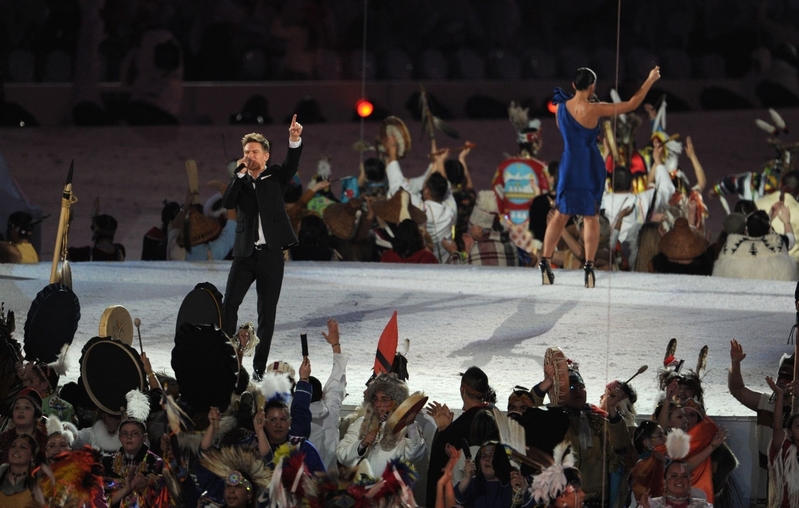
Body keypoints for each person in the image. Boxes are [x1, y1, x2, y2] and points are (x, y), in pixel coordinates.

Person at [539, 65, 660, 288]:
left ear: (574, 85)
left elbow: (566, 132)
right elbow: (632, 104)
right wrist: (650, 79)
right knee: (590, 216)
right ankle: (589, 267)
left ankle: (544, 263)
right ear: (592, 86)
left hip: (568, 165)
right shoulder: (594, 109)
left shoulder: (561, 108)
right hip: (588, 165)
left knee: (560, 215)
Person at [222, 116, 304, 379]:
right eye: (246, 152)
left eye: (255, 152)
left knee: (266, 314)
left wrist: (294, 139)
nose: (250, 156)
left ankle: (258, 369)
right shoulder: (240, 179)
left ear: (266, 156)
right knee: (229, 305)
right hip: (244, 255)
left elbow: (292, 164)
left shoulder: (275, 175)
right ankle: (226, 358)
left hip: (270, 256)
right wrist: (240, 173)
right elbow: (228, 202)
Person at [336, 372, 427, 477]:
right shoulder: (361, 423)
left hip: (394, 489)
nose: (378, 404)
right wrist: (362, 444)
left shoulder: (409, 428)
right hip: (363, 488)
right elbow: (342, 456)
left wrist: (410, 425)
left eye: (384, 400)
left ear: (396, 402)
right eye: (376, 399)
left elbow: (415, 455)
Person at [308, 318, 348, 471]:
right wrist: (335, 344)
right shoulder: (330, 411)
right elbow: (338, 378)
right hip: (328, 483)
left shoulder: (292, 416)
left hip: (301, 482)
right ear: (322, 395)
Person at [455, 441, 532, 507]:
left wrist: (522, 491)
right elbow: (453, 500)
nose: (487, 459)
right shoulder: (473, 483)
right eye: (484, 456)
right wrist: (467, 478)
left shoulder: (513, 483)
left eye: (492, 456)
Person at [0, 388, 47, 465]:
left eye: (27, 407)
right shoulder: (3, 440)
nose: (20, 411)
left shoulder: (46, 442)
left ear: (36, 414)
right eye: (17, 407)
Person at [0, 434, 42, 507]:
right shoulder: (1, 473)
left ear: (32, 456)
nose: (16, 450)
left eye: (22, 447)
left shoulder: (39, 482)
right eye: (13, 446)